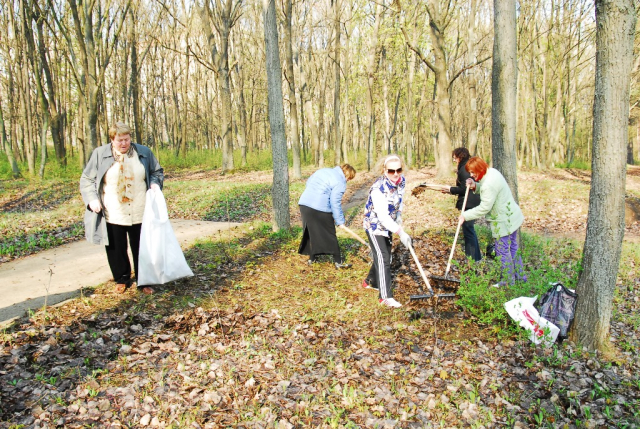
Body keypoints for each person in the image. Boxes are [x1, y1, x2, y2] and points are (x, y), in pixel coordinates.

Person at [80, 122, 164, 295]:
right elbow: (87, 179)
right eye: (119, 140)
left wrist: (155, 184)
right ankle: (122, 278)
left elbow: (156, 172)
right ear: (112, 140)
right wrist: (92, 199)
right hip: (113, 211)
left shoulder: (144, 152)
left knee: (142, 247)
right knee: (116, 247)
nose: (124, 144)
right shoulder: (100, 154)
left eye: (126, 139)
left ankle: (145, 280)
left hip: (140, 209)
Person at [460, 157, 526, 287]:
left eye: (474, 173)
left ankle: (508, 282)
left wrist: (465, 215)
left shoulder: (489, 184)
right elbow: (487, 188)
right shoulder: (493, 172)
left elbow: (485, 207)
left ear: (481, 168)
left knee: (502, 251)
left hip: (503, 221)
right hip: (512, 215)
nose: (472, 175)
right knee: (513, 247)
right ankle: (520, 277)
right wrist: (475, 186)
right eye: (470, 173)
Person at [362, 154, 412, 308]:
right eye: (391, 171)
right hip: (375, 225)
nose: (395, 174)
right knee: (384, 258)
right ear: (384, 170)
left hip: (389, 222)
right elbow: (382, 217)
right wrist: (400, 232)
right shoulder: (378, 189)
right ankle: (385, 297)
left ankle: (370, 281)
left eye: (399, 170)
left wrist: (399, 215)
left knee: (384, 255)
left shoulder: (401, 181)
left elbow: (400, 199)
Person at [298, 164, 356, 268]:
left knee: (312, 231)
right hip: (319, 206)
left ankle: (312, 258)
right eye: (349, 178)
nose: (348, 180)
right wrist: (340, 221)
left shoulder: (323, 170)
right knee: (330, 233)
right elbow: (335, 202)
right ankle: (338, 262)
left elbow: (309, 183)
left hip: (304, 203)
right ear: (347, 175)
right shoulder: (340, 181)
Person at [441, 147, 482, 261]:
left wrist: (451, 189)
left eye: (455, 157)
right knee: (470, 230)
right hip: (470, 202)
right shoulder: (467, 167)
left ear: (460, 156)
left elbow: (465, 189)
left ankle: (472, 259)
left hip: (469, 203)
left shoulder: (464, 168)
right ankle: (476, 258)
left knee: (468, 231)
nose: (454, 160)